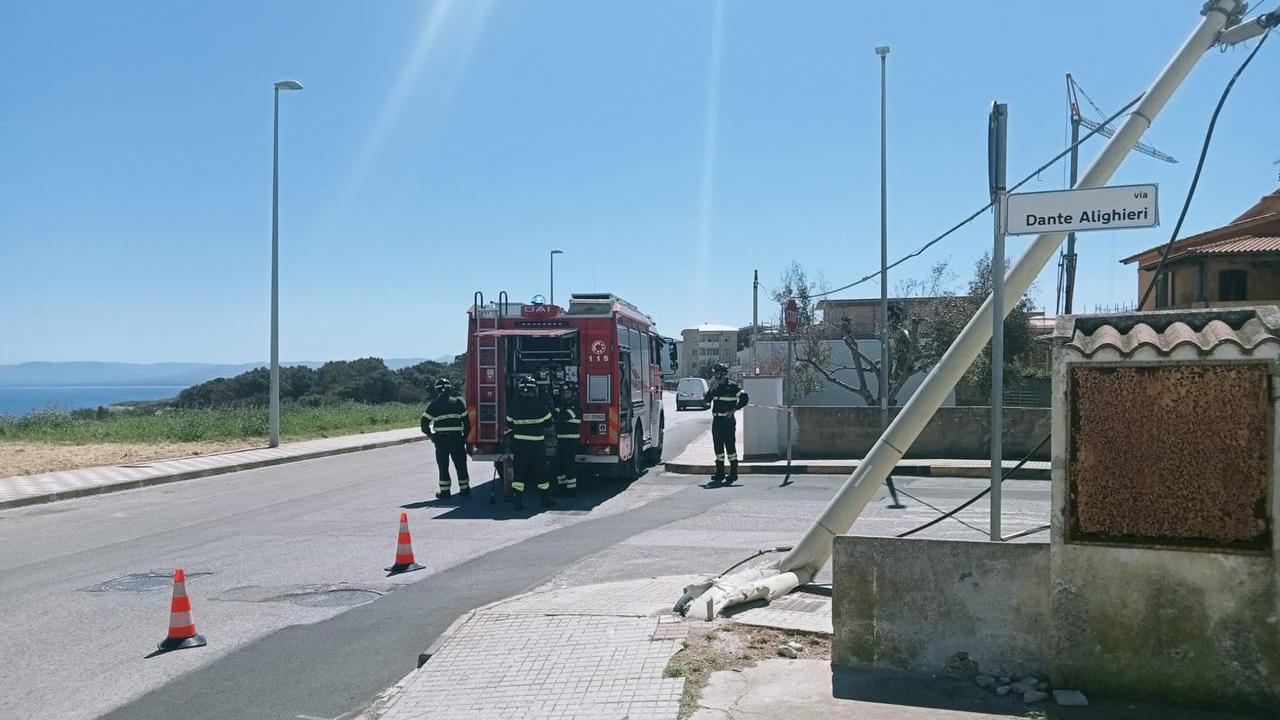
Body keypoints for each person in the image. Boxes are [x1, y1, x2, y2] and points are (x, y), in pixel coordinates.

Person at [505, 374, 554, 510]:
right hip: (536, 446)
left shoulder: (514, 406)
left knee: (519, 474)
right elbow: (548, 424)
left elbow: (509, 424)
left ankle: (517, 502)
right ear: (534, 390)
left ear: (520, 389)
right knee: (541, 474)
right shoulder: (541, 406)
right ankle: (545, 500)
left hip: (519, 446)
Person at [422, 377, 471, 499]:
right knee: (461, 464)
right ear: (449, 389)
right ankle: (465, 489)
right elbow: (467, 423)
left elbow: (424, 423)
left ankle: (445, 491)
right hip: (456, 439)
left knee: (443, 466)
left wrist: (432, 436)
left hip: (441, 440)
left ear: (437, 390)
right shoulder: (458, 403)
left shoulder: (433, 405)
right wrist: (464, 437)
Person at [704, 363, 748, 484]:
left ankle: (733, 473)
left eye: (717, 373)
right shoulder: (715, 387)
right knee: (718, 448)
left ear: (723, 374)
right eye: (714, 373)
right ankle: (720, 473)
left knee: (730, 448)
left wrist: (734, 409)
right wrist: (711, 389)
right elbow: (707, 400)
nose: (715, 376)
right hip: (717, 421)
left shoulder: (732, 387)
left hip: (728, 422)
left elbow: (745, 398)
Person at [552, 382, 582, 497]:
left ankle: (571, 490)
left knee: (569, 466)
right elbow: (554, 414)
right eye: (564, 393)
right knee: (558, 465)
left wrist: (557, 410)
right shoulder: (563, 406)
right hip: (561, 441)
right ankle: (562, 487)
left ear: (574, 394)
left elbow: (559, 417)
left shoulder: (575, 408)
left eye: (568, 393)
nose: (565, 395)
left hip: (571, 442)